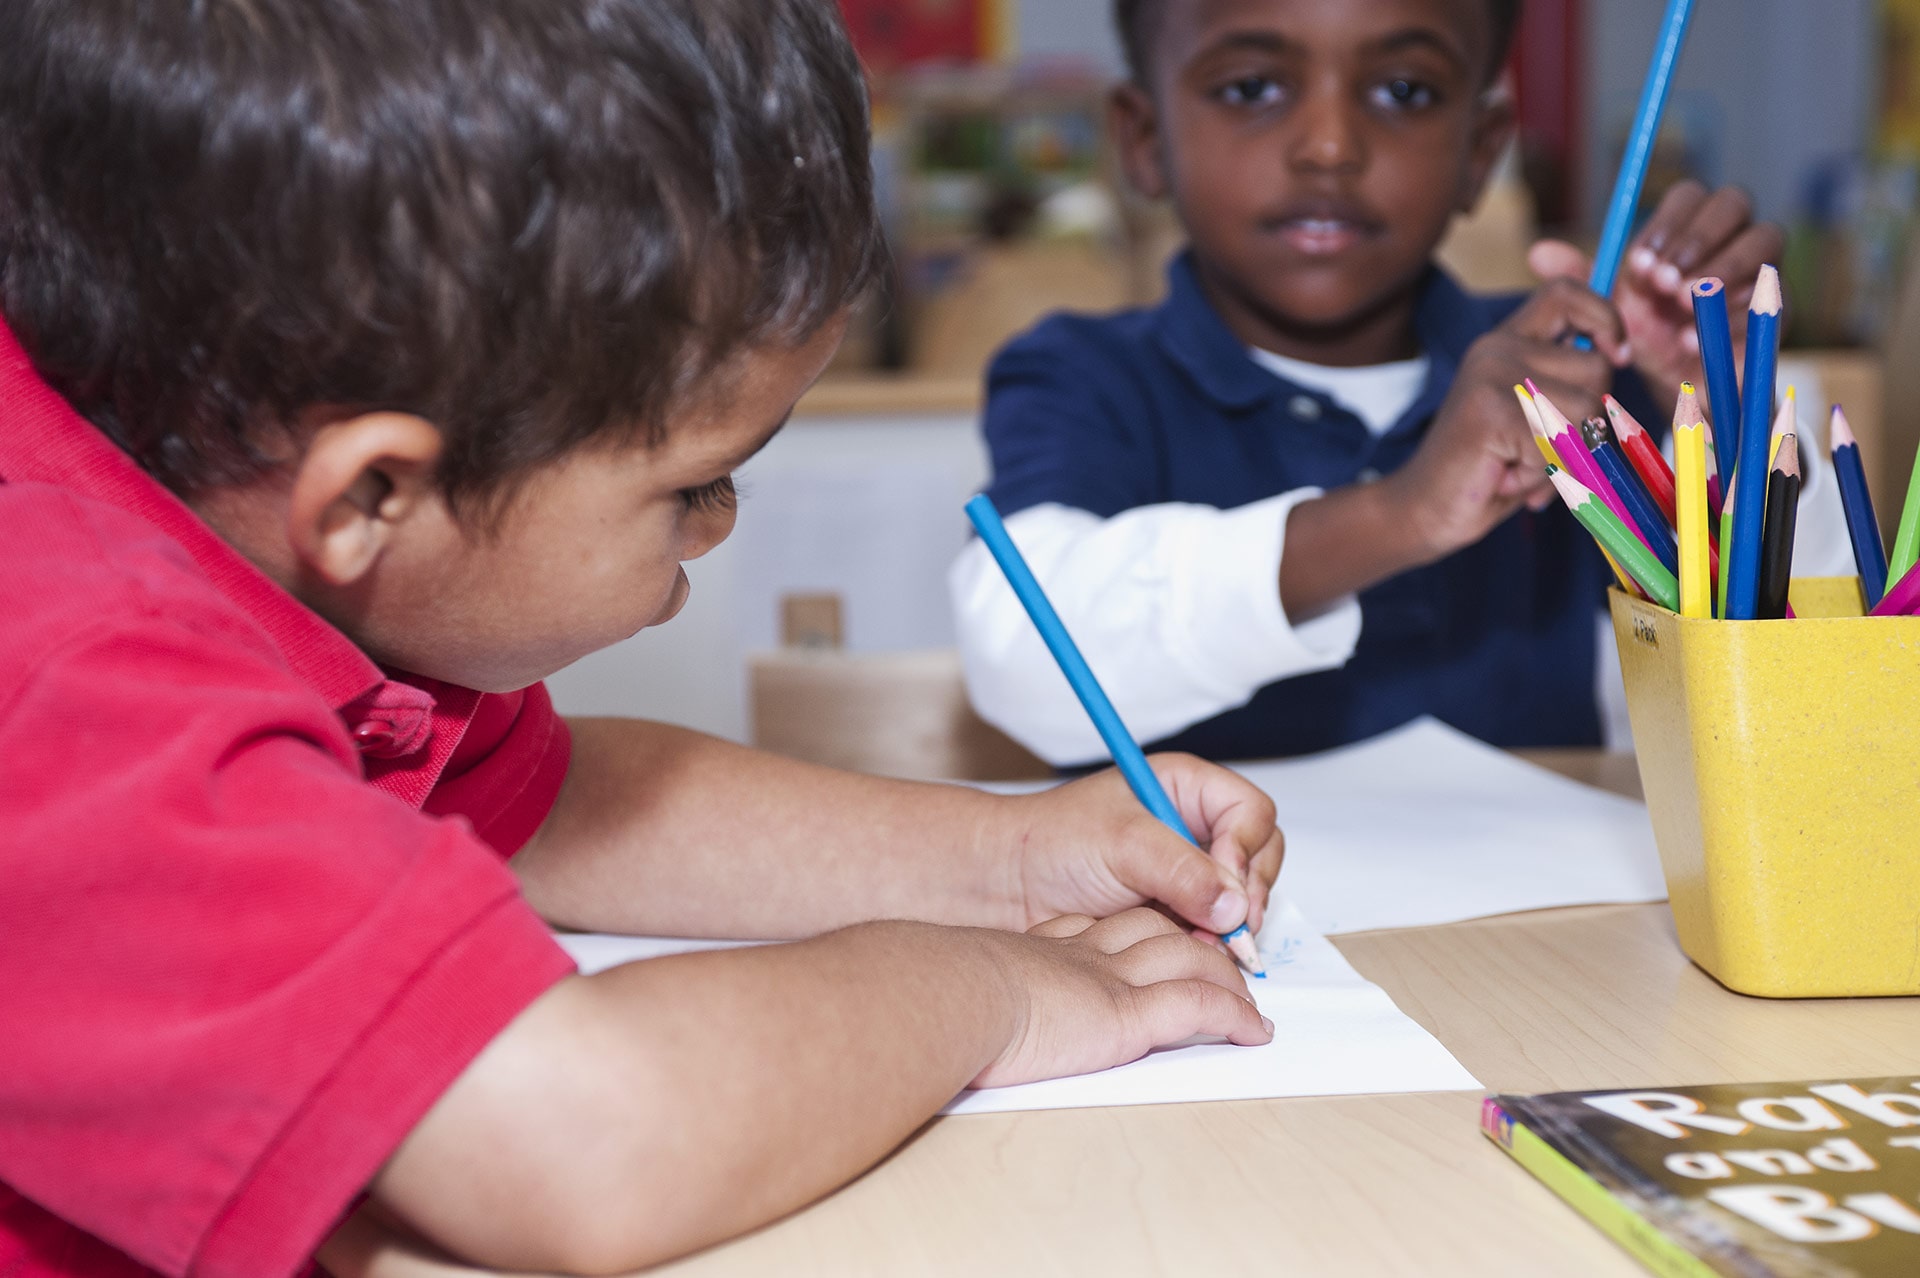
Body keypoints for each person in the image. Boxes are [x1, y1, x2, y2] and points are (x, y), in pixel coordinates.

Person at [0, 3, 1288, 1275]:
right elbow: (577, 1145)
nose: (720, 529)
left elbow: (542, 801)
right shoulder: (60, 679)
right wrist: (995, 992)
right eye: (694, 485)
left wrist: (1013, 855)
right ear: (372, 500)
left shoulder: (236, 520)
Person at [950, 0, 1845, 766]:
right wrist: (1403, 512)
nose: (1331, 146)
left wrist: (1723, 406)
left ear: (1479, 150)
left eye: (1404, 92)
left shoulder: (1583, 377)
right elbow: (1025, 655)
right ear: (1144, 142)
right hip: (1197, 956)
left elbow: (1825, 685)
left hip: (1535, 944)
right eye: (1251, 88)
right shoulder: (1083, 374)